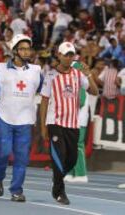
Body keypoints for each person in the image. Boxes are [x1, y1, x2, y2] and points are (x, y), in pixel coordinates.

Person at [0, 34, 43, 202]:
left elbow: (44, 91)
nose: (26, 52)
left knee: (22, 158)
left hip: (25, 120)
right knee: (3, 153)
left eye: (28, 48)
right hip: (5, 119)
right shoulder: (0, 69)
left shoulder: (37, 71)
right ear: (14, 51)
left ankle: (16, 190)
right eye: (22, 48)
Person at [40, 42, 99, 205]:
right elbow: (44, 101)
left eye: (71, 54)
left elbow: (95, 92)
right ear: (58, 55)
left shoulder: (78, 75)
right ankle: (60, 192)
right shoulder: (51, 75)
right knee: (59, 156)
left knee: (72, 159)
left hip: (73, 124)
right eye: (65, 54)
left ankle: (56, 178)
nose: (68, 57)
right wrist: (43, 126)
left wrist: (88, 75)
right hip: (55, 122)